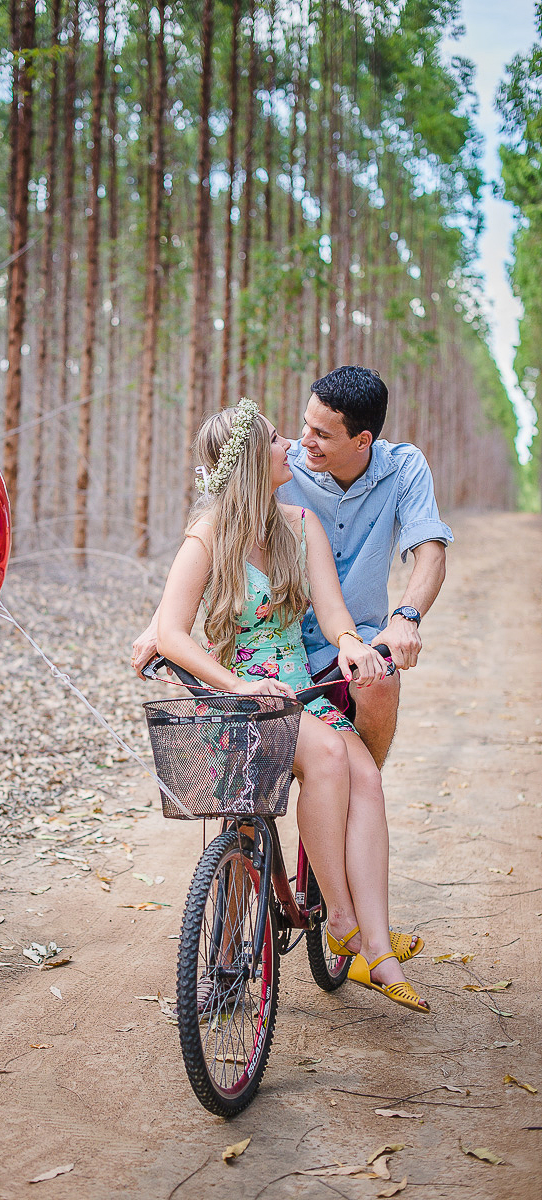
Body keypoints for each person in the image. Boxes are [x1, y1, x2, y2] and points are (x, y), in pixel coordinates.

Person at [153, 396, 429, 1014]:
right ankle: (344, 926)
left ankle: (377, 947)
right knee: (331, 758)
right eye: (278, 440)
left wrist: (353, 644)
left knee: (367, 778)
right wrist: (237, 684)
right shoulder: (209, 536)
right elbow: (171, 632)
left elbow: (331, 610)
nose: (291, 448)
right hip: (243, 700)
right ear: (254, 461)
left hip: (299, 691)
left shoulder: (299, 525)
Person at [133, 366, 452, 769]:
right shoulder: (282, 464)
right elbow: (223, 532)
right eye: (305, 425)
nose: (304, 442)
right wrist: (160, 624)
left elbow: (432, 552)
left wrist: (407, 618)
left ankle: (357, 788)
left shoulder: (404, 468)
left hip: (356, 638)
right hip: (283, 636)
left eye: (321, 434)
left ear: (362, 440)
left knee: (379, 689)